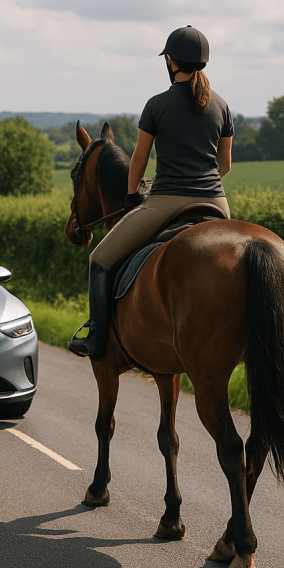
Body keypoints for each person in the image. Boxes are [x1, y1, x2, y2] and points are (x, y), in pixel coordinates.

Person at [69, 25, 234, 359]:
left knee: (99, 260)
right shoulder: (222, 106)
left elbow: (138, 164)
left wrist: (131, 195)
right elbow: (225, 165)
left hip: (167, 203)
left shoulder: (157, 105)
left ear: (170, 61)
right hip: (218, 205)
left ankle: (98, 338)